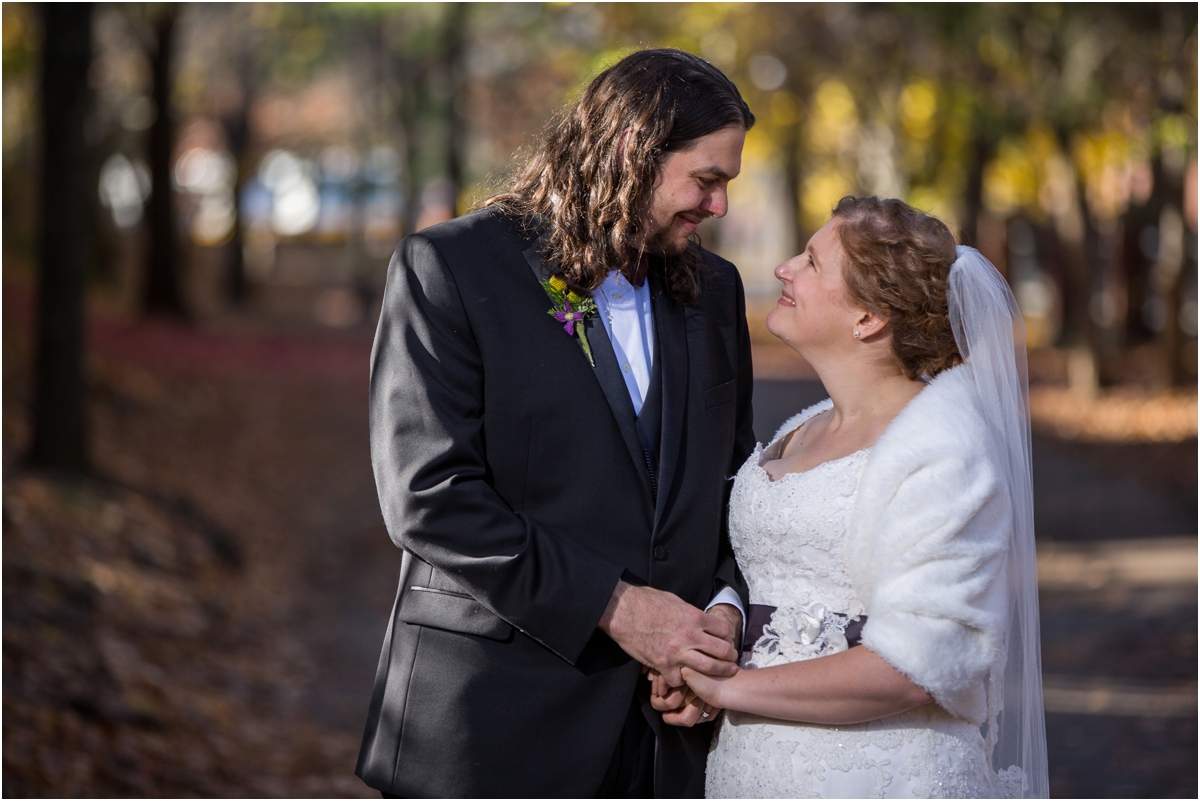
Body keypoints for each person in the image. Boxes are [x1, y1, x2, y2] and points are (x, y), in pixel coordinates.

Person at [356, 49, 758, 797]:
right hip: (491, 726)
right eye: (707, 180)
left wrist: (722, 617)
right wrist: (618, 606)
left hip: (663, 741)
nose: (719, 207)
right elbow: (430, 496)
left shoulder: (716, 291)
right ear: (631, 153)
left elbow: (737, 483)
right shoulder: (450, 268)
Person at [681, 196, 1049, 798]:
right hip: (755, 767)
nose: (784, 269)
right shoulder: (801, 426)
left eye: (812, 262)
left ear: (869, 317)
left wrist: (727, 690)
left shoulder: (945, 448)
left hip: (881, 771)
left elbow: (918, 666)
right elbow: (770, 572)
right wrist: (720, 631)